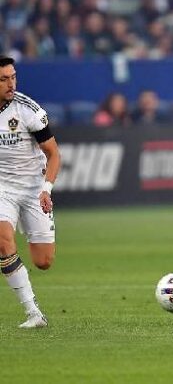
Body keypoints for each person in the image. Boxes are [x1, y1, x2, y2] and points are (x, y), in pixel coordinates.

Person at [0, 55, 61, 328]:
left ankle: (22, 240)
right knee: (3, 242)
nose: (10, 83)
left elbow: (53, 154)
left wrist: (46, 189)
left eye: (13, 77)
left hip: (35, 189)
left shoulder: (28, 110)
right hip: (3, 188)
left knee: (44, 261)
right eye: (3, 79)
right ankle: (34, 313)